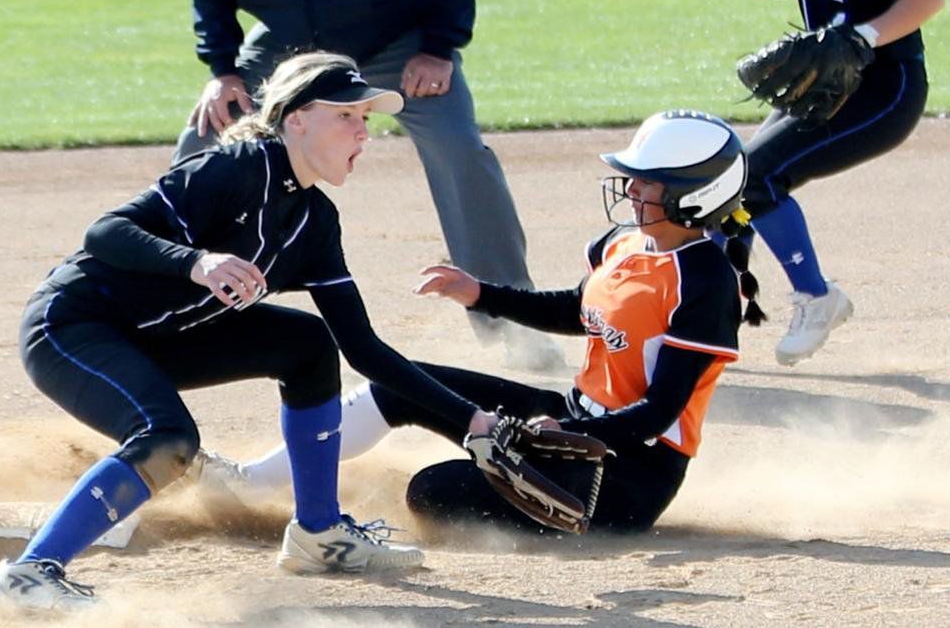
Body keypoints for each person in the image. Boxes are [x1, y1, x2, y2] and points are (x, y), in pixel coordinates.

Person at [0, 52, 502, 613]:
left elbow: (363, 348)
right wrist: (195, 262)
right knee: (168, 439)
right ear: (296, 119)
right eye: (347, 116)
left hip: (158, 337)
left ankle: (319, 535)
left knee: (308, 347)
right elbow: (105, 232)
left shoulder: (314, 221)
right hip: (73, 326)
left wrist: (469, 420)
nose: (363, 133)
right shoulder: (235, 168)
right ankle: (29, 574)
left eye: (366, 119)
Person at [193, 110, 763, 534]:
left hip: (627, 476)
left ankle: (352, 535)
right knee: (402, 383)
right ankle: (249, 483)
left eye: (650, 181)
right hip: (572, 420)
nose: (633, 188)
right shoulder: (624, 244)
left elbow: (660, 412)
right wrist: (480, 293)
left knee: (433, 494)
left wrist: (558, 437)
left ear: (695, 195)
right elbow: (578, 309)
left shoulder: (708, 283)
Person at [175, 0, 560, 370]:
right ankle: (174, 295)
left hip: (395, 44)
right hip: (288, 52)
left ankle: (511, 323)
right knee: (203, 140)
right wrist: (222, 69)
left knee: (459, 151)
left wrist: (438, 48)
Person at [688, 0, 945, 366]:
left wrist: (863, 35)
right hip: (825, 87)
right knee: (731, 187)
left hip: (883, 90)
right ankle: (709, 304)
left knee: (753, 180)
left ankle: (816, 297)